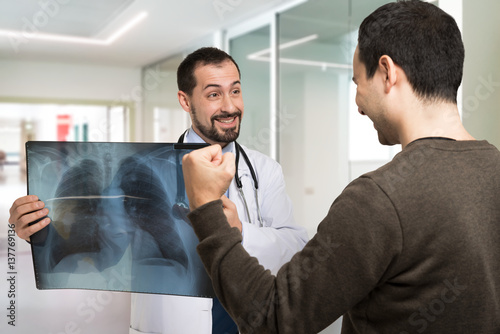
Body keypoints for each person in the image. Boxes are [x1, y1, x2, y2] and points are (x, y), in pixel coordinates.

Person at [181, 1, 500, 333]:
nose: (359, 104)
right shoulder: (494, 168)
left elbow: (272, 319)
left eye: (357, 82)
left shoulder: (378, 199)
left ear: (387, 73)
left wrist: (207, 210)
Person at [9, 47, 308, 334]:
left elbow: (294, 245)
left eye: (235, 90)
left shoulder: (265, 170)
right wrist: (41, 231)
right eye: (214, 94)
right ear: (185, 100)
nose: (230, 106)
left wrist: (239, 230)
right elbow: (103, 251)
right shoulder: (143, 167)